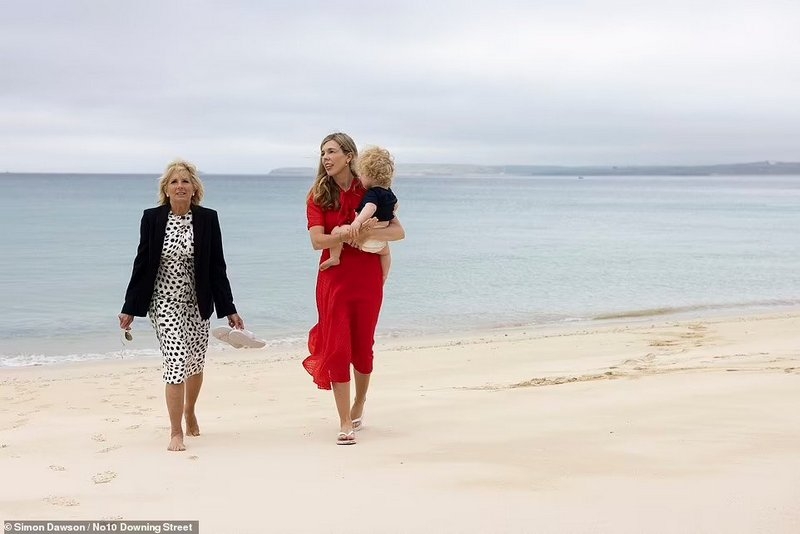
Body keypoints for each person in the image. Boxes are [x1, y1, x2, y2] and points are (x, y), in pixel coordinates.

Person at [118, 159, 245, 452]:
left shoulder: (207, 219)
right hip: (163, 302)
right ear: (166, 189)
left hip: (198, 302)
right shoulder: (152, 218)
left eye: (185, 181)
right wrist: (130, 308)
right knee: (176, 362)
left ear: (194, 188)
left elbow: (217, 267)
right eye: (174, 182)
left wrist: (229, 308)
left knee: (195, 362)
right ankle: (176, 431)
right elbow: (141, 264)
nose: (180, 186)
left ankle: (190, 411)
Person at [304, 133, 405, 445]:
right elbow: (317, 241)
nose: (326, 158)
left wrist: (367, 231)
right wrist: (347, 235)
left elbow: (398, 232)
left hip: (367, 278)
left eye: (331, 151)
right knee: (337, 346)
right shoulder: (318, 195)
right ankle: (344, 421)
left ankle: (359, 404)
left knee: (363, 346)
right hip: (333, 279)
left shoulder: (371, 189)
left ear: (349, 156)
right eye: (323, 153)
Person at [319, 145, 397, 283]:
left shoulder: (372, 193)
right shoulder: (390, 194)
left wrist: (358, 222)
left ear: (369, 176)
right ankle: (384, 275)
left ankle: (334, 257)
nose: (360, 178)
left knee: (337, 230)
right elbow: (395, 206)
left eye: (362, 175)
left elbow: (370, 207)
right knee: (386, 253)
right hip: (380, 244)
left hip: (364, 237)